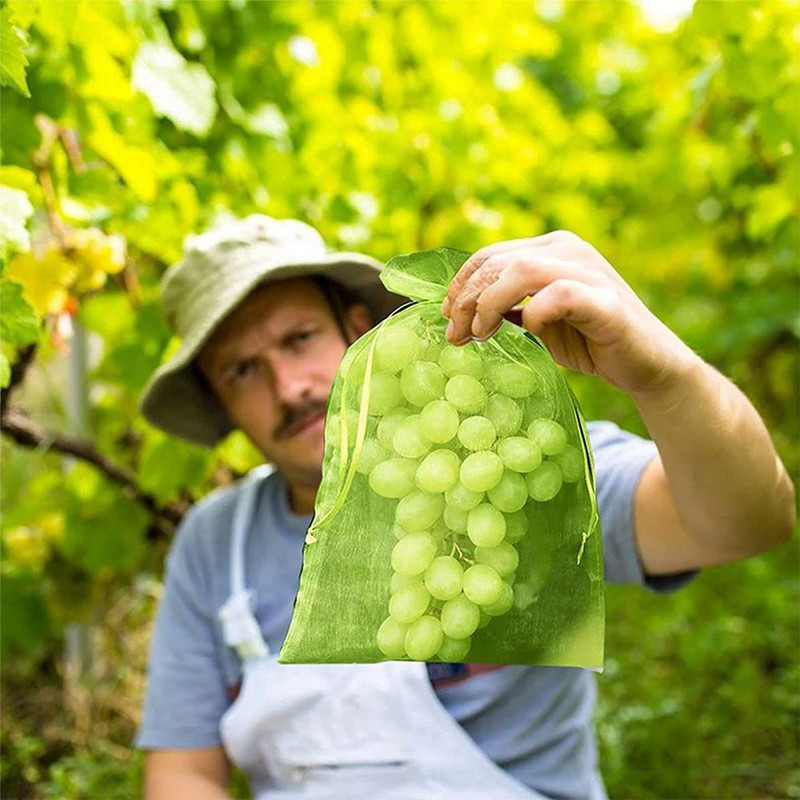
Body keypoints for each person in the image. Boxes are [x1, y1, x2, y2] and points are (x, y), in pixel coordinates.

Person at [136, 215, 794, 800]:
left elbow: (749, 523)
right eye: (242, 370)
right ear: (221, 403)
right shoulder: (214, 542)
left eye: (300, 338)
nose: (288, 387)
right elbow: (183, 771)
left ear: (358, 327)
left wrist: (662, 375)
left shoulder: (507, 469)